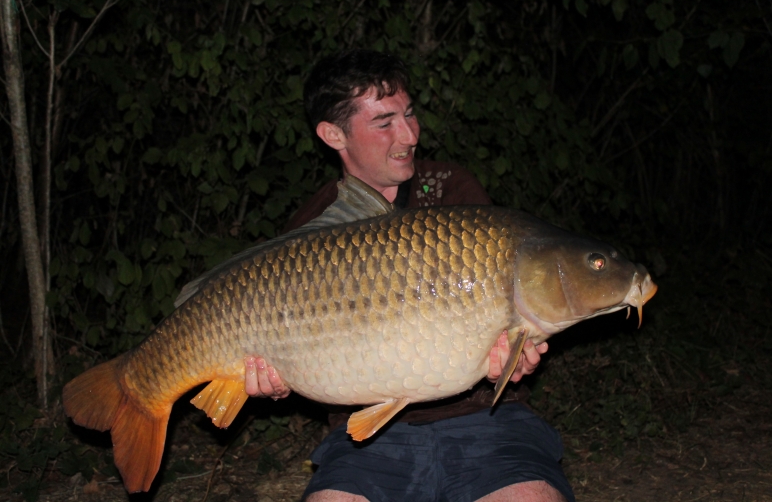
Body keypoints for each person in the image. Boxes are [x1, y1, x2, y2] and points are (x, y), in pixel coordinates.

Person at [243, 49, 575, 502]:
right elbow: (301, 360)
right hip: (365, 440)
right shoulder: (310, 230)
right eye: (385, 122)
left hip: (487, 425)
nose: (411, 133)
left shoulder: (452, 190)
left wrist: (515, 358)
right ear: (332, 134)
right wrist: (277, 382)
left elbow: (512, 321)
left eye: (410, 113)